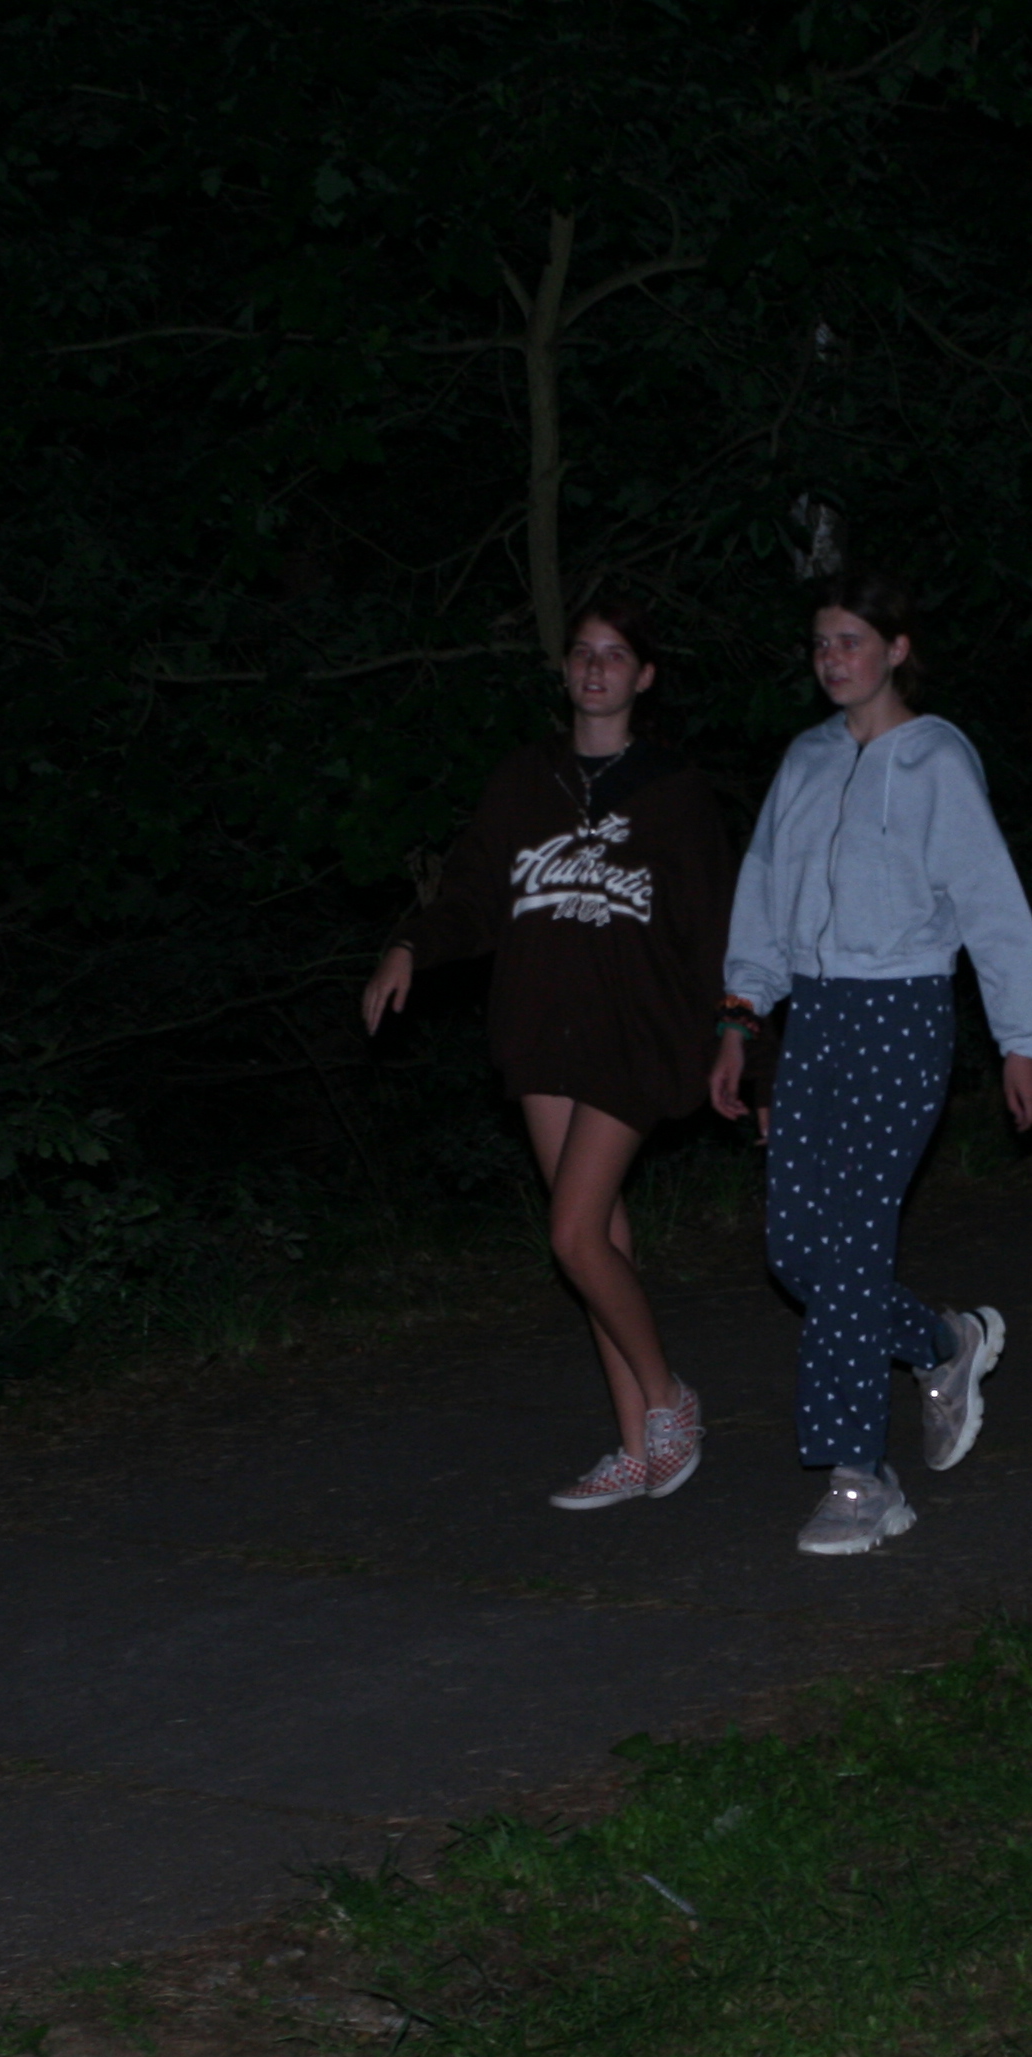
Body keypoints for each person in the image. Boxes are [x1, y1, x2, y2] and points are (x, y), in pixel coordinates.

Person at [710, 570, 1032, 1557]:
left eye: (851, 640)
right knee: (798, 1254)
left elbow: (992, 905)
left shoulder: (936, 759)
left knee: (855, 1247)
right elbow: (763, 893)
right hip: (813, 1021)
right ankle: (945, 1343)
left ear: (897, 650)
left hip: (902, 1014)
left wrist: (1021, 1040)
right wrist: (740, 1020)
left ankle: (861, 1478)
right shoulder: (806, 760)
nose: (832, 659)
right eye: (821, 643)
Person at [363, 591, 730, 1509]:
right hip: (539, 1029)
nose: (595, 667)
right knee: (600, 1234)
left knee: (570, 1233)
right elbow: (473, 894)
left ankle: (668, 1398)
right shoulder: (523, 781)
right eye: (582, 652)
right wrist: (410, 945)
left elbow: (716, 928)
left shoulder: (675, 792)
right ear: (565, 669)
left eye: (615, 654)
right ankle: (635, 1446)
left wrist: (741, 1040)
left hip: (632, 1033)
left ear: (644, 677)